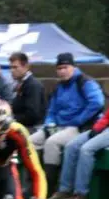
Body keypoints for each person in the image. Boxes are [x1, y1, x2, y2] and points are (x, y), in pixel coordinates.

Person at [30, 52, 104, 191]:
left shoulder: (85, 82)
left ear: (73, 67)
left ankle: (49, 187)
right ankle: (31, 182)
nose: (62, 71)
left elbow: (97, 103)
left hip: (78, 126)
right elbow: (51, 110)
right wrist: (49, 123)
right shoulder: (59, 87)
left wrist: (78, 120)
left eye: (65, 67)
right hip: (57, 125)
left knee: (52, 143)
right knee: (30, 141)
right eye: (59, 68)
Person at [47, 90, 109, 199]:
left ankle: (81, 194)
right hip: (108, 128)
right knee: (71, 146)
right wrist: (98, 127)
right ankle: (64, 190)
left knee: (86, 149)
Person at [9, 51, 45, 132]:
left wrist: (11, 119)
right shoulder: (19, 84)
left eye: (15, 67)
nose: (12, 70)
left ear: (25, 67)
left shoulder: (33, 85)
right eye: (10, 67)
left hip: (33, 128)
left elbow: (32, 115)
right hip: (21, 125)